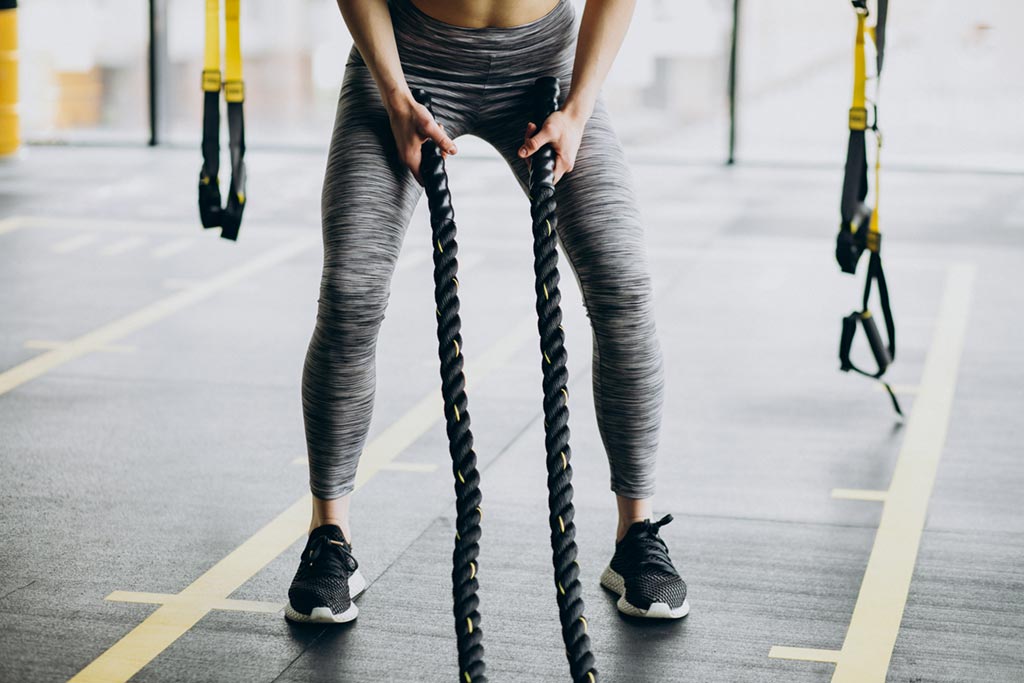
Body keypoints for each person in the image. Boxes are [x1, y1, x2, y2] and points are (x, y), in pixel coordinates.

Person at [285, 0, 689, 625]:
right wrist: (393, 93)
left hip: (543, 64)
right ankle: (328, 538)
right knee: (351, 294)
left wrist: (578, 108)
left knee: (624, 286)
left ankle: (637, 536)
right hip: (407, 57)